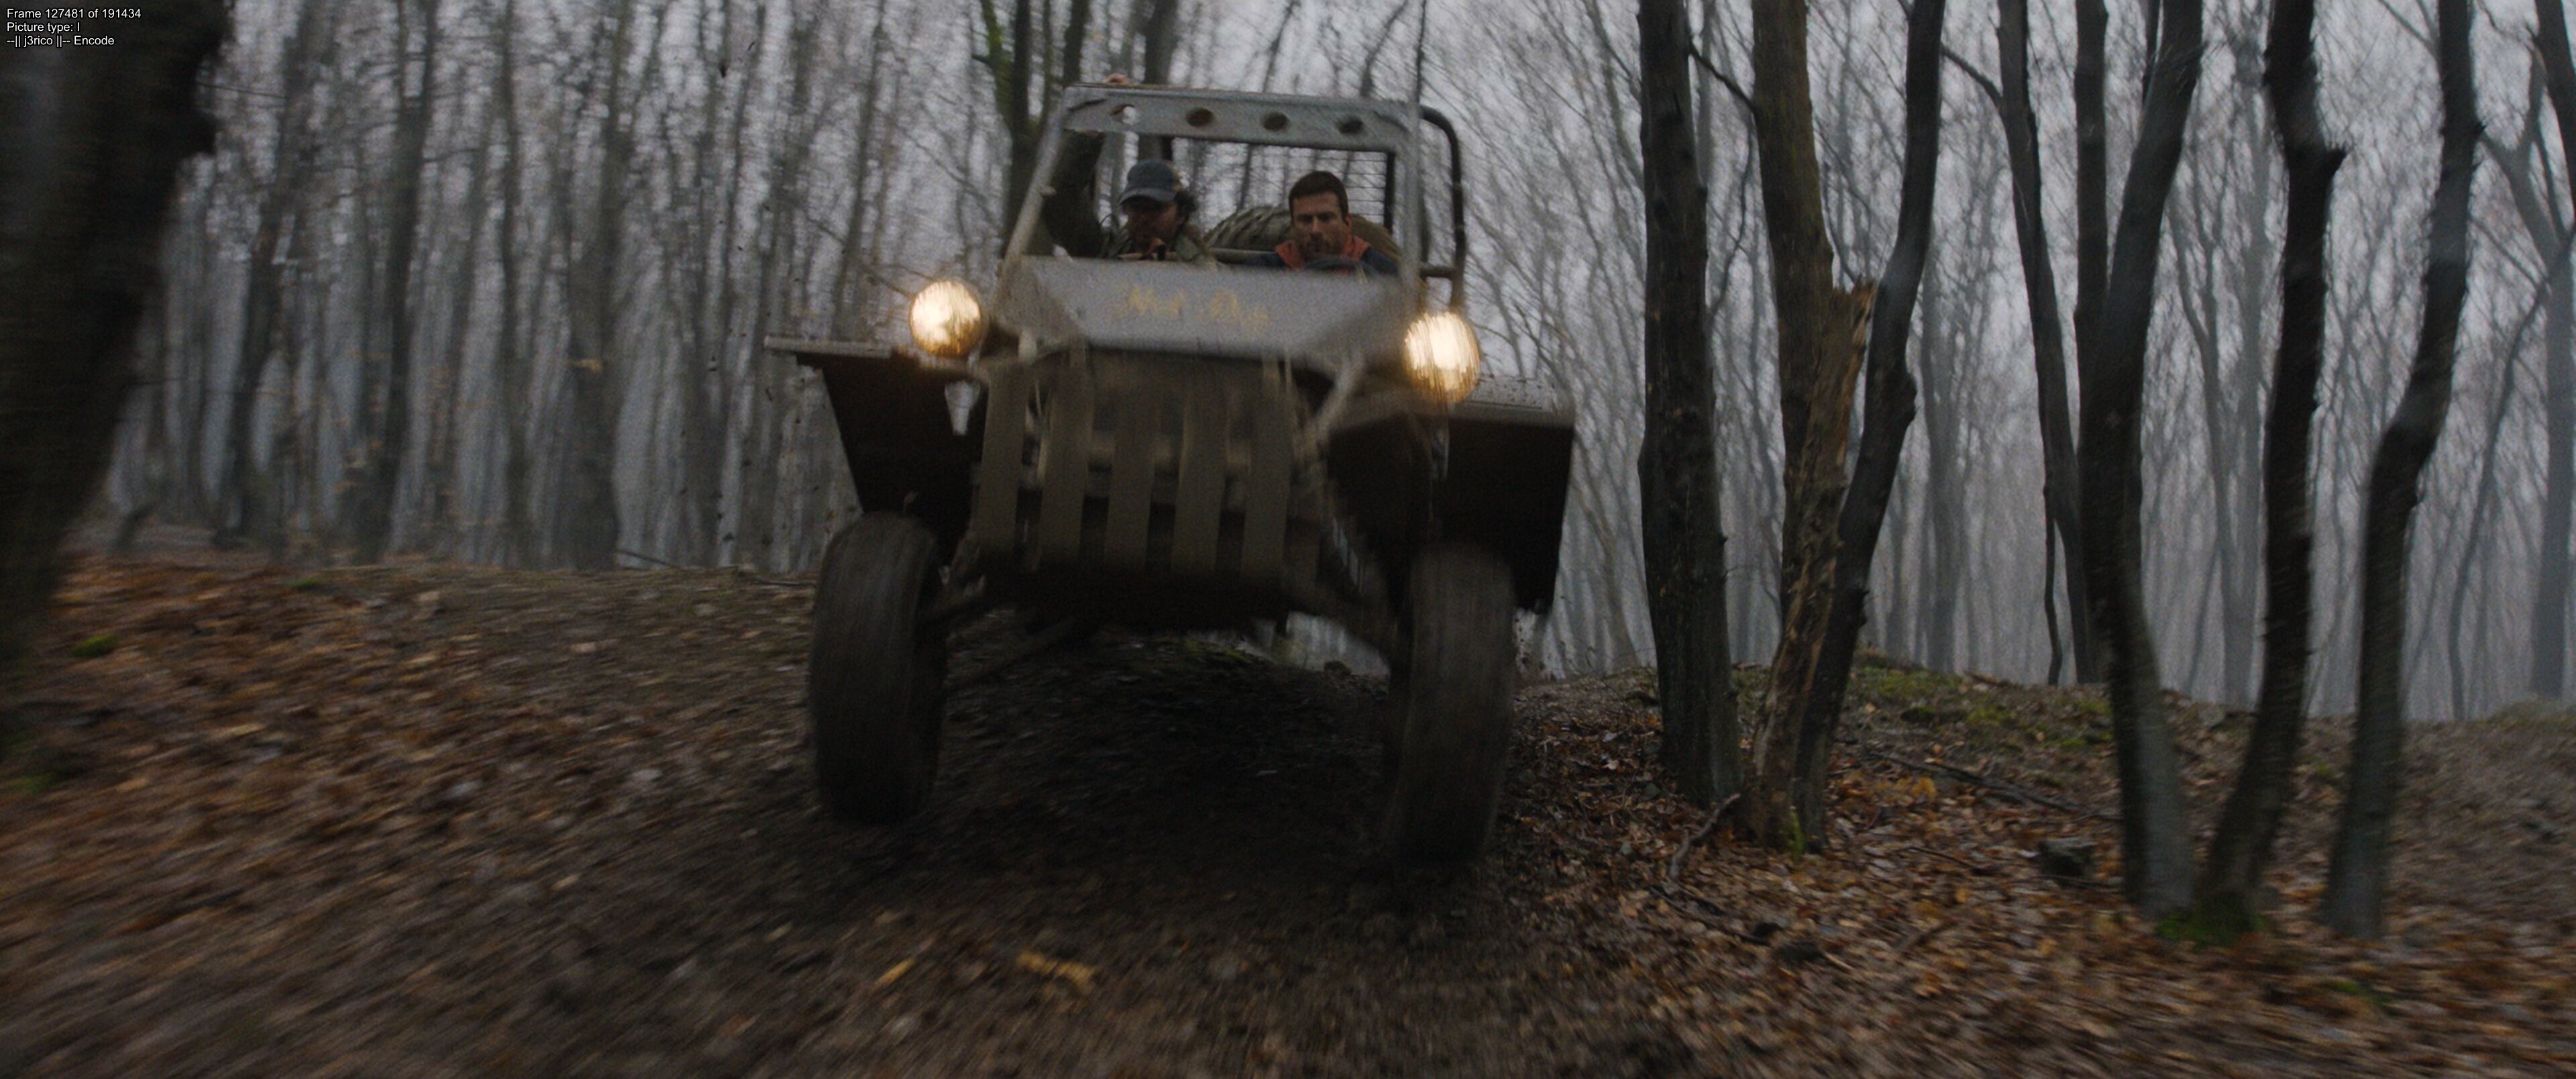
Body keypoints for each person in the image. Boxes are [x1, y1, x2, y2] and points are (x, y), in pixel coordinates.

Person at [1038, 77, 1214, 264]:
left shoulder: (1203, 272)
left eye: (1155, 209)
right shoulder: (1106, 251)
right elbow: (1059, 200)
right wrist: (1096, 120)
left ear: (1180, 215)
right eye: (1136, 207)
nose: (1144, 218)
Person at [1247, 170, 1399, 276]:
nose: (1315, 230)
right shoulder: (1262, 273)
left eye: (1326, 218)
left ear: (1347, 223)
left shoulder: (1381, 273)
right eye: (1306, 220)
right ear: (1293, 226)